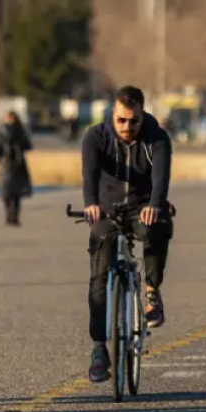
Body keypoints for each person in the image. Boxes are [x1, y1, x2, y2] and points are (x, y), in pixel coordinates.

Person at [81, 86, 173, 383]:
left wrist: (155, 206)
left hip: (141, 207)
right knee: (99, 275)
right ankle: (98, 348)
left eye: (133, 121)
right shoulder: (96, 137)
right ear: (113, 113)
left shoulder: (156, 138)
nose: (127, 127)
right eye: (121, 120)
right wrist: (90, 205)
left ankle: (151, 290)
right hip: (107, 211)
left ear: (142, 115)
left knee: (157, 227)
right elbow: (90, 174)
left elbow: (161, 177)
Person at [0, 111, 33, 226]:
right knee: (15, 193)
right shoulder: (20, 130)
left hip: (7, 164)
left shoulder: (1, 131)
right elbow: (28, 145)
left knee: (9, 192)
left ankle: (10, 215)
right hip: (17, 163)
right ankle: (13, 216)